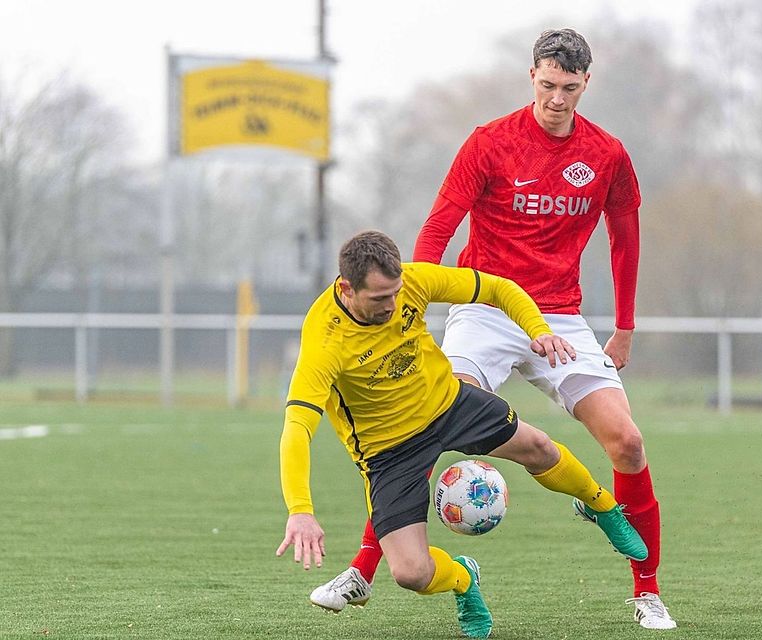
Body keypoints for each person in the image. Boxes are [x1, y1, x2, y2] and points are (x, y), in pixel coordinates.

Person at [311, 29, 677, 630]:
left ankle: (647, 591)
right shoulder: (490, 143)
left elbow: (625, 240)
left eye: (569, 87)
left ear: (587, 83)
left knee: (628, 443)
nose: (556, 98)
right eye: (548, 84)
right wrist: (412, 309)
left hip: (559, 317)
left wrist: (625, 327)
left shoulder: (606, 154)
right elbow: (438, 229)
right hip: (484, 310)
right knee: (423, 422)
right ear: (532, 75)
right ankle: (363, 569)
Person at [277, 230, 648, 639]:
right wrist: (300, 510)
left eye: (395, 293)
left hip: (449, 405)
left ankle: (603, 507)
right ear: (347, 289)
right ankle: (463, 578)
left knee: (539, 447)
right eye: (380, 298)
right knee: (411, 573)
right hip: (389, 451)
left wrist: (538, 329)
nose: (392, 305)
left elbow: (498, 288)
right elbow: (297, 428)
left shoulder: (413, 281)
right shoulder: (324, 342)